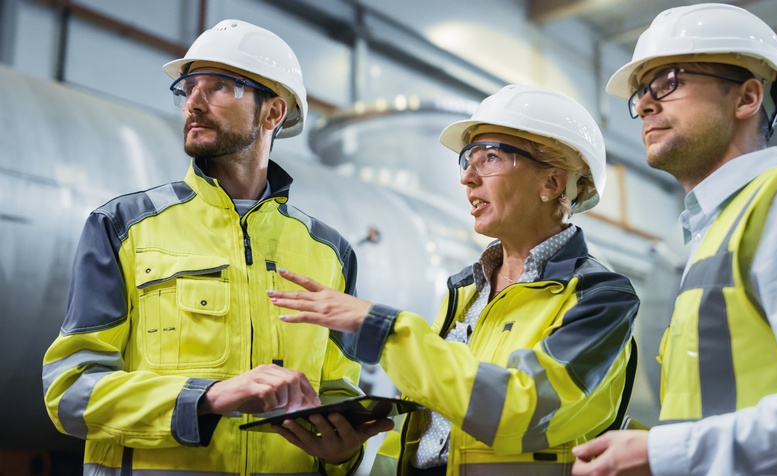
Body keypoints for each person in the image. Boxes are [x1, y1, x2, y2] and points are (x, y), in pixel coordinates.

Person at [42, 19, 390, 475]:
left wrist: (343, 454)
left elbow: (338, 392)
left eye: (220, 86)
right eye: (188, 87)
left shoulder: (330, 252)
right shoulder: (123, 226)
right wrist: (205, 399)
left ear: (273, 113)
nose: (193, 103)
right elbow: (70, 393)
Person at [266, 84, 640, 475]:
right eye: (468, 160)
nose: (468, 178)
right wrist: (343, 457)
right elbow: (417, 434)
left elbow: (521, 412)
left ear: (552, 183)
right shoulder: (465, 290)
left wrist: (382, 327)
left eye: (490, 157)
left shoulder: (601, 299)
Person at [572, 4, 777, 475]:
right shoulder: (716, 230)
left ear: (746, 98)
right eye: (640, 92)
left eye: (670, 81)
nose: (643, 105)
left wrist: (665, 454)